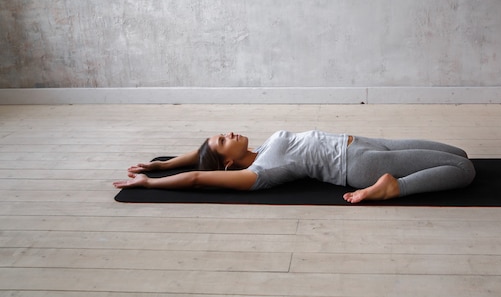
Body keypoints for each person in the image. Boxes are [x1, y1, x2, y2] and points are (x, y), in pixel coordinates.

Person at [113, 130, 475, 204]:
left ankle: (397, 182)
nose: (228, 133)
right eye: (223, 141)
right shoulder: (257, 173)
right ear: (227, 162)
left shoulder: (261, 149)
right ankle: (393, 188)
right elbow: (196, 175)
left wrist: (158, 163)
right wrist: (149, 183)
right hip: (362, 164)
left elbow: (197, 159)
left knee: (459, 151)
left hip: (364, 141)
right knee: (465, 171)